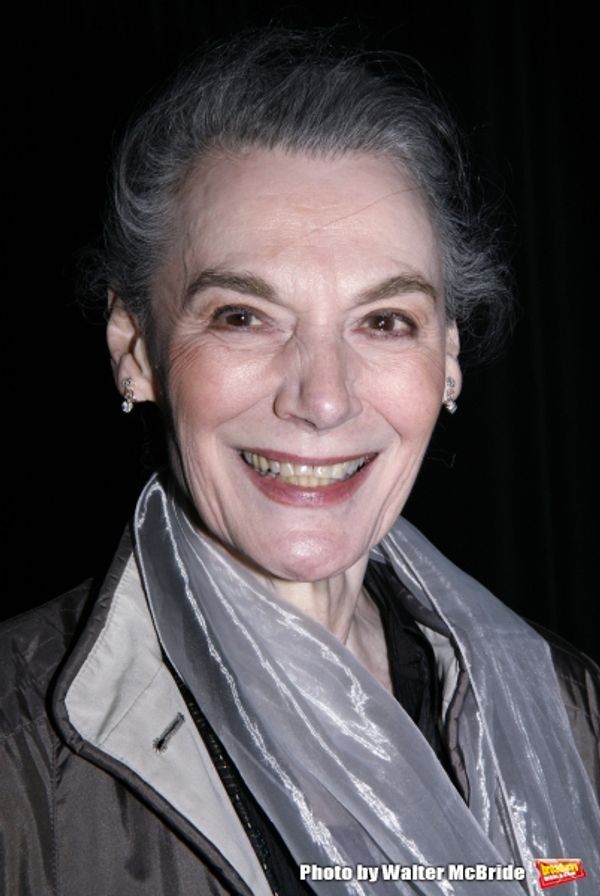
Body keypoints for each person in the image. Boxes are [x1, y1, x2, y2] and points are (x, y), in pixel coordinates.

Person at [1, 31, 599, 896]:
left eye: (386, 320)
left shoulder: (571, 713)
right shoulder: (23, 763)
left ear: (450, 361)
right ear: (135, 350)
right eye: (244, 316)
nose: (323, 398)